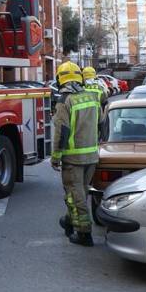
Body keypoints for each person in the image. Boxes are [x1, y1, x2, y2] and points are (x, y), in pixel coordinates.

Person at [50, 61, 102, 247]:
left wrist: (56, 156)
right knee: (81, 193)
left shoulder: (65, 101)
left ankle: (84, 233)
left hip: (73, 158)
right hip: (92, 156)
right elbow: (101, 123)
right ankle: (69, 221)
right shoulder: (92, 96)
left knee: (74, 195)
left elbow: (61, 132)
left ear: (60, 79)